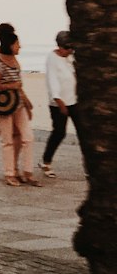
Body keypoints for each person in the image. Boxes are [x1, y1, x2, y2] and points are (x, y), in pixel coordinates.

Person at [0, 23, 38, 187]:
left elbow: (19, 82)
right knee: (8, 140)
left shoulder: (13, 58)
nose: (20, 46)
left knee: (27, 137)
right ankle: (10, 173)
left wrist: (26, 102)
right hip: (4, 105)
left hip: (18, 103)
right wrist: (12, 87)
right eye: (17, 43)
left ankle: (27, 172)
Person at [41, 30, 82, 178]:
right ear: (59, 46)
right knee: (59, 133)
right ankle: (46, 162)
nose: (70, 50)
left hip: (74, 101)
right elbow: (52, 81)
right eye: (67, 48)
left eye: (72, 48)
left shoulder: (69, 57)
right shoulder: (52, 59)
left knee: (83, 132)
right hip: (59, 104)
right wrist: (59, 101)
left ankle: (89, 166)